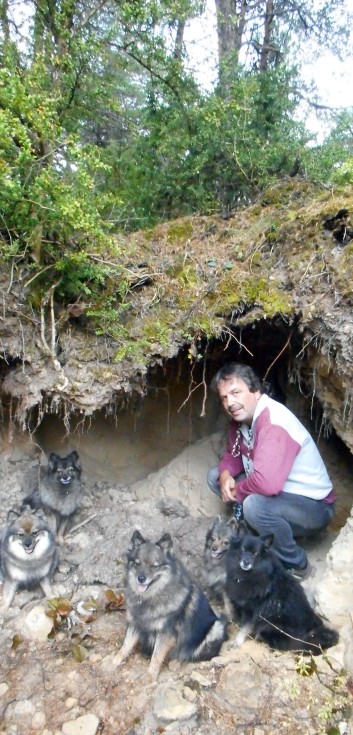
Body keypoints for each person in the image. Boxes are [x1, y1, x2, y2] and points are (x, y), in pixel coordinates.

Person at [207, 363, 336, 579]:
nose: (230, 402)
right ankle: (258, 530)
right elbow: (234, 454)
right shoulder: (241, 421)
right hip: (282, 499)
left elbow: (267, 484)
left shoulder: (273, 422)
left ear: (256, 391)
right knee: (215, 477)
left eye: (236, 392)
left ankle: (297, 564)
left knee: (254, 505)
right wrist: (226, 474)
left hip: (314, 507)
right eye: (224, 398)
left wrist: (238, 490)